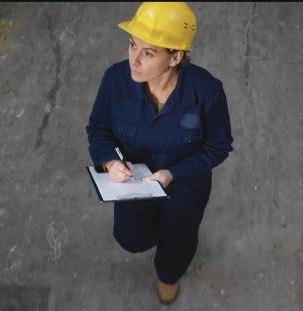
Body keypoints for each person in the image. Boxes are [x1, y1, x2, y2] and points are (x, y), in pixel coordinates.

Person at [86, 2, 233, 304]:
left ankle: (169, 275)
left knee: (178, 242)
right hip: (134, 186)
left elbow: (218, 146)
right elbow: (98, 128)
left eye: (148, 53)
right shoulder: (115, 80)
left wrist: (173, 173)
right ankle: (151, 238)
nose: (134, 60)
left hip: (184, 189)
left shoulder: (206, 91)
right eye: (132, 45)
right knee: (131, 239)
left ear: (175, 57)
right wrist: (111, 160)